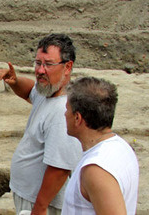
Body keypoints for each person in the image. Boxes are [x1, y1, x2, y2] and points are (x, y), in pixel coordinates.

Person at [0, 34, 82, 215]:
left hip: (43, 204)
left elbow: (60, 167)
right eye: (38, 63)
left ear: (67, 67)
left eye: (48, 65)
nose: (40, 70)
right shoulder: (48, 92)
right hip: (31, 197)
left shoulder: (62, 112)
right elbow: (30, 92)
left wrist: (40, 207)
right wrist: (16, 81)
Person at [62, 77, 139, 215]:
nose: (64, 114)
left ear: (77, 118)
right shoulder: (122, 147)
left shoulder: (96, 171)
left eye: (67, 109)